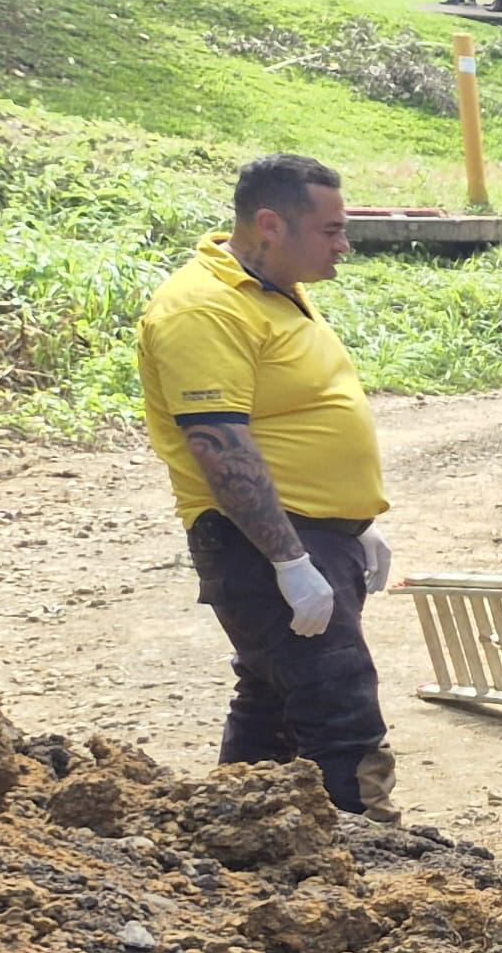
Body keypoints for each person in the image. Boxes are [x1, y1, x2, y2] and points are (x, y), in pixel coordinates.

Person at [135, 154, 399, 815]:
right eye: (332, 230)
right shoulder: (203, 308)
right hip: (263, 542)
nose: (344, 245)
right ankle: (369, 854)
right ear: (272, 225)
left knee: (274, 707)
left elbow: (295, 415)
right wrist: (289, 560)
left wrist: (354, 525)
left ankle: (236, 838)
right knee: (338, 708)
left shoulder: (274, 289)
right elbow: (219, 445)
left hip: (312, 537)